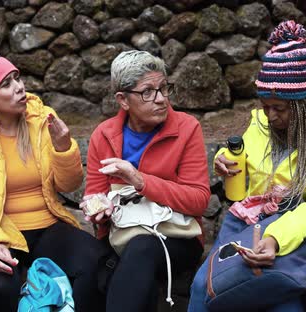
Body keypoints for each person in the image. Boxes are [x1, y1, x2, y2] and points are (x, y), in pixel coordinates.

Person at [188, 20, 306, 311]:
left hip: (294, 229)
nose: (270, 116)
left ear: (304, 106)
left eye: (278, 108)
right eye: (265, 106)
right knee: (206, 286)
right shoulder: (261, 123)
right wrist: (223, 161)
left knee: (280, 299)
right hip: (243, 223)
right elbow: (239, 154)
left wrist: (276, 237)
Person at [0, 55, 106, 312]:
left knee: (97, 264)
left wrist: (63, 148)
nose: (19, 87)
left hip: (47, 224)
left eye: (17, 78)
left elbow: (69, 185)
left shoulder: (42, 117)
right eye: (6, 84)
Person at [81, 50, 210, 312]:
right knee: (87, 272)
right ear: (123, 100)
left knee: (141, 251)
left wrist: (139, 180)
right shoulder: (103, 135)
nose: (161, 99)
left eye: (164, 88)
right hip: (121, 234)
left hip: (177, 235)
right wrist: (98, 210)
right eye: (148, 92)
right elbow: (95, 195)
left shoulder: (186, 128)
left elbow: (198, 201)